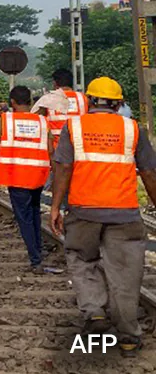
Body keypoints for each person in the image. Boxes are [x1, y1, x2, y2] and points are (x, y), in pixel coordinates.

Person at [50, 77, 156, 356]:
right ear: (119, 103)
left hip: (83, 210)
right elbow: (148, 173)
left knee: (82, 260)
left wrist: (55, 207)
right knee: (125, 274)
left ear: (89, 101)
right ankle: (129, 337)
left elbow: (62, 167)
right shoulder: (133, 129)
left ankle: (95, 312)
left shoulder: (73, 127)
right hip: (124, 213)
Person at [0, 86, 51, 273]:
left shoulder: (6, 120)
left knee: (23, 218)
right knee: (34, 214)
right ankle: (38, 250)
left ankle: (35, 259)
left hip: (16, 175)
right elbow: (50, 149)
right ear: (30, 101)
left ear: (12, 102)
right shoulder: (42, 121)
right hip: (38, 175)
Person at [33, 67, 87, 152]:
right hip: (79, 147)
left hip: (57, 149)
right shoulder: (83, 98)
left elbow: (34, 119)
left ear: (55, 83)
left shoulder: (48, 99)